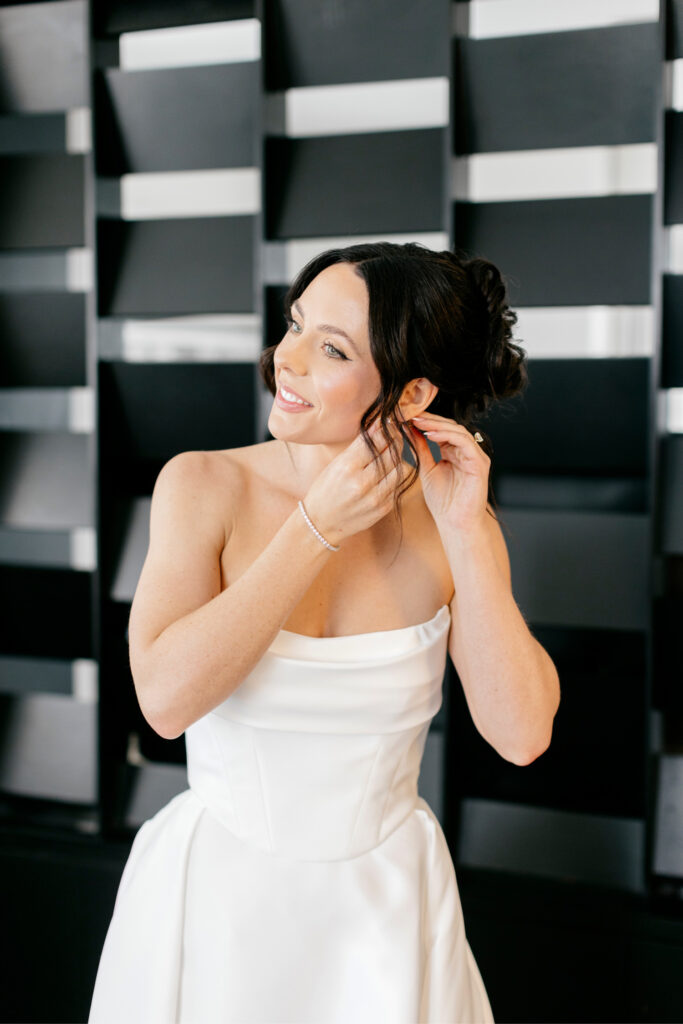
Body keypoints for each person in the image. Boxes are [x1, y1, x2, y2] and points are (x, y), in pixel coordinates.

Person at [88, 241, 561, 1024]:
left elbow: (520, 735)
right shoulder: (204, 483)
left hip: (387, 905)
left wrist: (468, 531)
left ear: (411, 394)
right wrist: (314, 528)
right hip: (215, 900)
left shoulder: (453, 525)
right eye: (295, 325)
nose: (287, 358)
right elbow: (164, 704)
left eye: (330, 347)